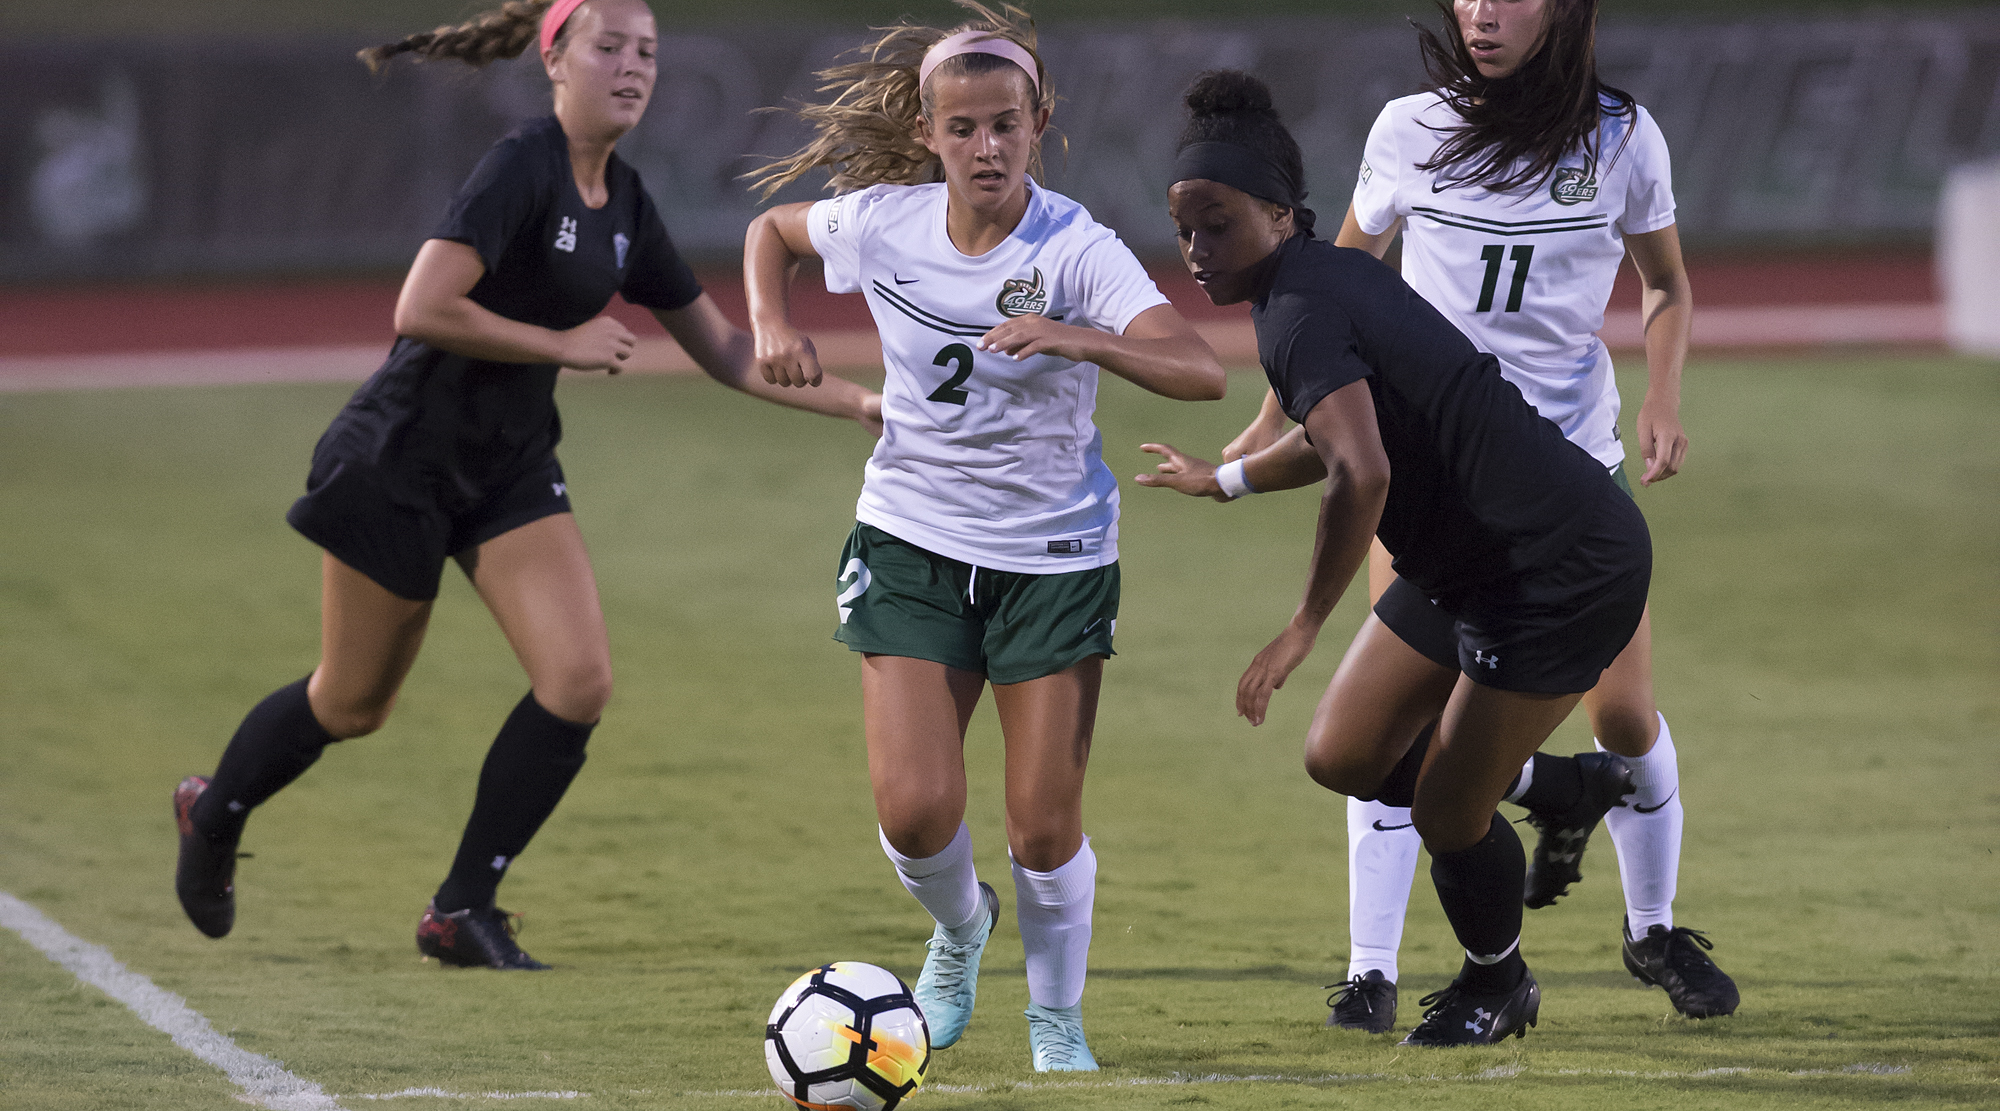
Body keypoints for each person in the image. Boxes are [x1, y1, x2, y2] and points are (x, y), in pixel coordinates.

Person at [170, 0, 881, 969]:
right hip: (401, 462)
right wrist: (559, 343)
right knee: (351, 702)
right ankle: (214, 813)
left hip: (507, 468)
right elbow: (420, 306)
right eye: (609, 47)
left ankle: (461, 909)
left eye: (648, 53)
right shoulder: (519, 165)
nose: (633, 67)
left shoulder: (626, 203)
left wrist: (860, 405)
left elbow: (720, 349)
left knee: (577, 679)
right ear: (554, 59)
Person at [1222, 0, 1736, 1028]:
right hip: (1433, 483)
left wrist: (1662, 396)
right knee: (1379, 729)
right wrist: (1262, 419)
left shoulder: (1620, 137)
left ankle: (1649, 931)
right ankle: (1372, 966)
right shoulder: (1406, 128)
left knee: (1626, 720)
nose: (1480, 12)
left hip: (1570, 486)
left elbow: (1665, 284)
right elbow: (1337, 280)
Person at [743, 1, 1224, 1071]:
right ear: (927, 133)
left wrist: (1077, 335)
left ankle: (1054, 1022)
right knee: (915, 812)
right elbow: (769, 236)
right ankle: (961, 930)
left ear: (1037, 120)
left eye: (1004, 123)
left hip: (1050, 558)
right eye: (961, 128)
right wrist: (773, 322)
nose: (985, 146)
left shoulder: (1076, 246)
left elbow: (1200, 371)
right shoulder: (881, 222)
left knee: (1043, 831)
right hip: (910, 535)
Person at [1138, 69, 1651, 1046]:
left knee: (1444, 811)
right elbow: (1345, 438)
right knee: (1343, 753)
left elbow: (1358, 473)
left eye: (1217, 225)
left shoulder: (1297, 311)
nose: (1196, 251)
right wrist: (1228, 480)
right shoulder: (1312, 285)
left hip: (1552, 567)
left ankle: (1495, 983)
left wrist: (1299, 628)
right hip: (1471, 558)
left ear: (1280, 215)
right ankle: (1555, 786)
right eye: (1183, 228)